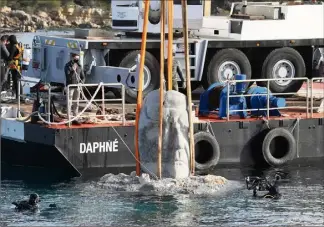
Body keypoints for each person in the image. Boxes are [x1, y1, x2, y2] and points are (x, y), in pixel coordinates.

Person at [6, 35, 23, 99]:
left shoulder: (13, 47)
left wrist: (6, 59)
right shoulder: (18, 45)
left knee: (16, 81)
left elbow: (10, 57)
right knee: (18, 81)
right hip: (19, 65)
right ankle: (20, 96)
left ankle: (19, 98)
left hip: (15, 66)